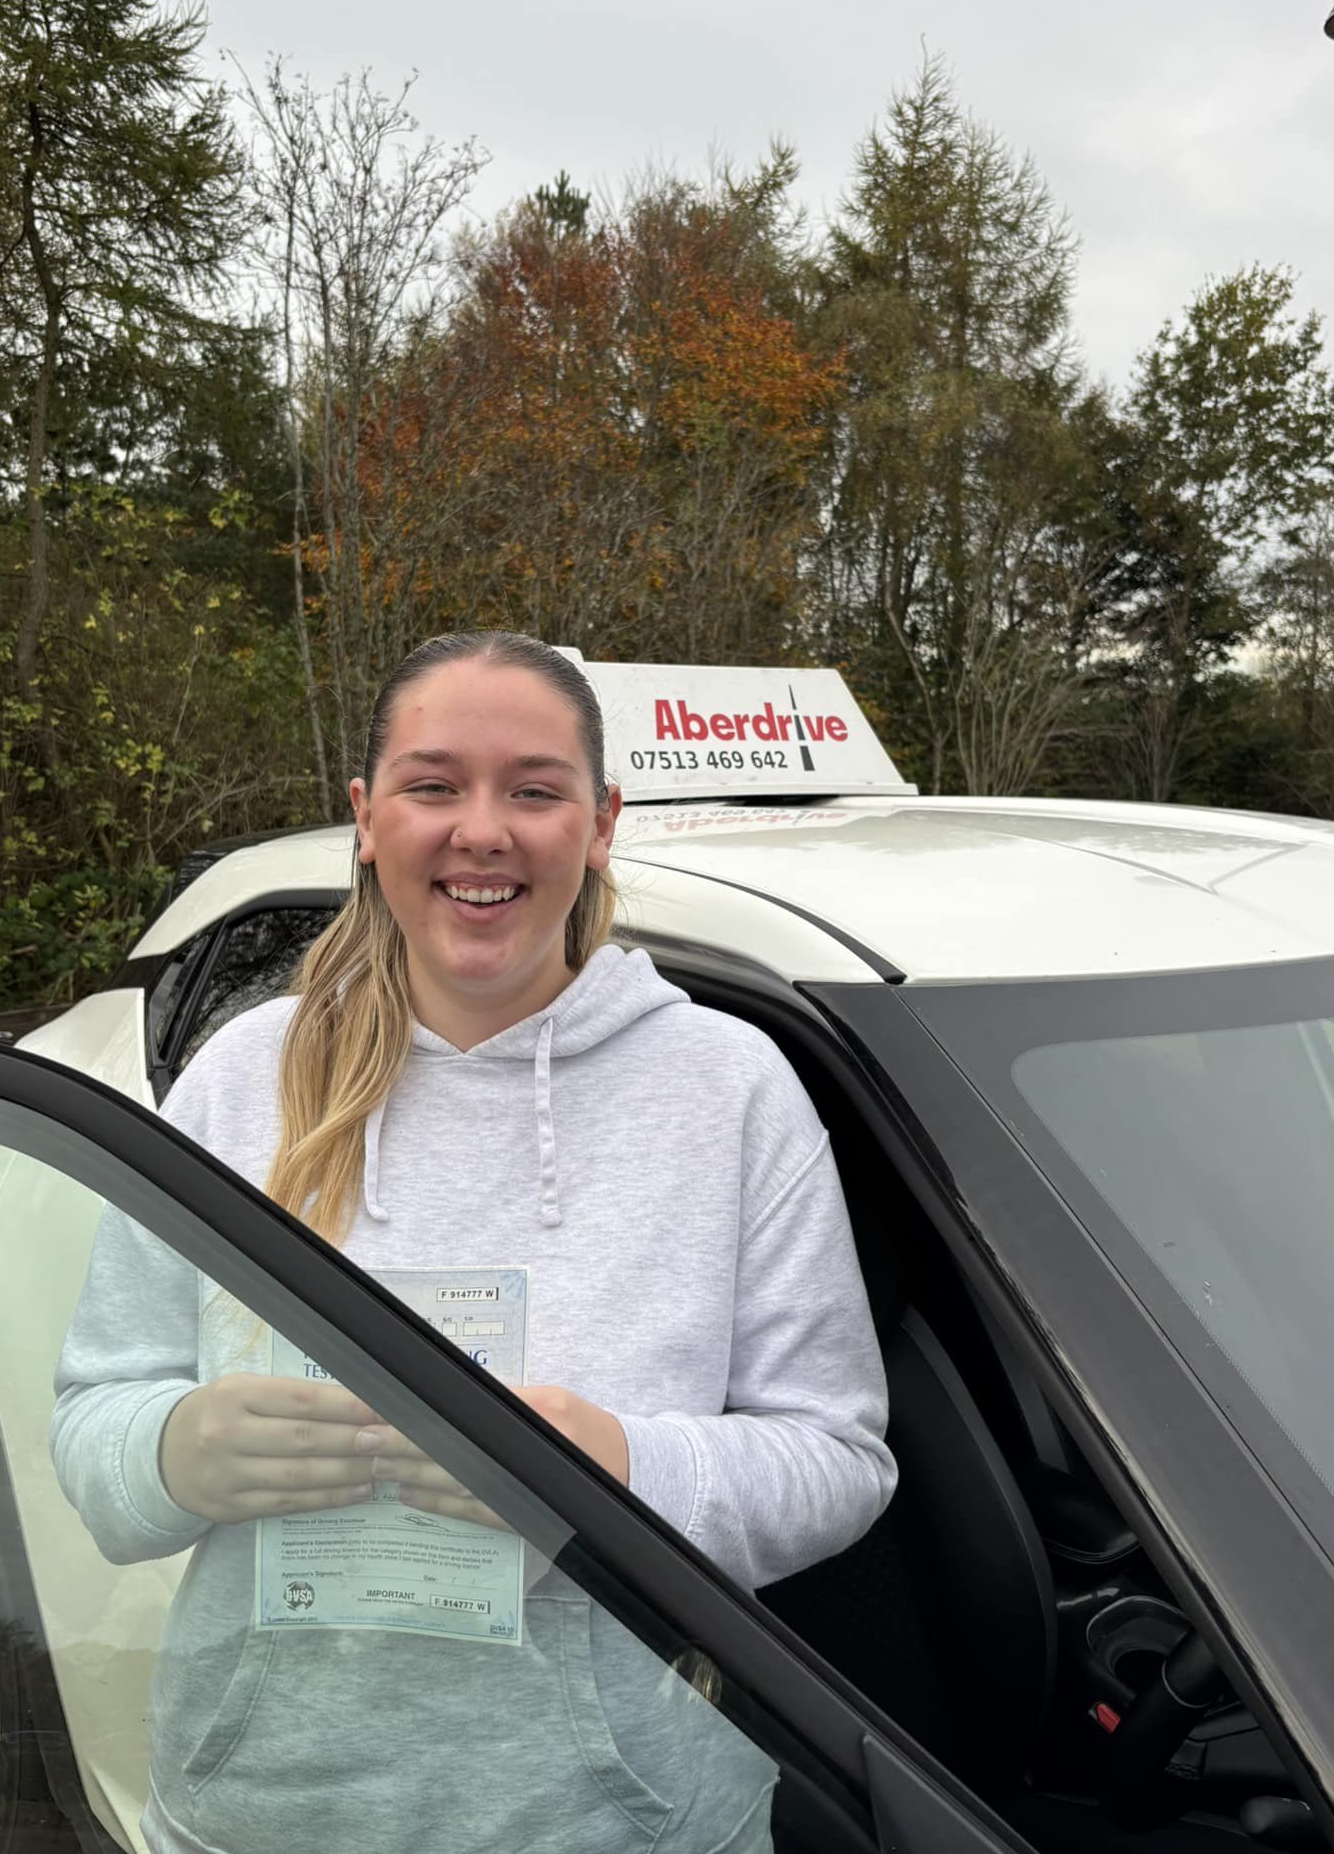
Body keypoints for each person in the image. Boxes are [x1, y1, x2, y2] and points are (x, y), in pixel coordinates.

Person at [50, 631, 896, 1854]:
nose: (482, 830)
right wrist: (178, 1452)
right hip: (264, 1813)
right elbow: (93, 1421)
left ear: (601, 822)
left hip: (634, 1826)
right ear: (367, 817)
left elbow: (837, 1460)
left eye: (535, 789)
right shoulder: (244, 1081)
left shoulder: (730, 1089)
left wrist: (617, 1473)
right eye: (434, 784)